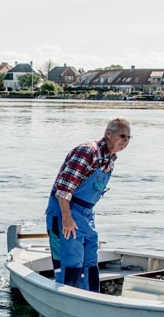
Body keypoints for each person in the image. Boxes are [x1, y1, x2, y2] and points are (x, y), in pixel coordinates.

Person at [45, 116, 132, 291]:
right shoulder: (87, 152)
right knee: (71, 259)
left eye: (129, 138)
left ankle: (91, 297)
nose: (126, 141)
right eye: (123, 136)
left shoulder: (110, 159)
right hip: (65, 211)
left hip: (86, 214)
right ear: (108, 133)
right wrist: (67, 218)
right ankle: (68, 298)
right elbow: (63, 189)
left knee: (90, 257)